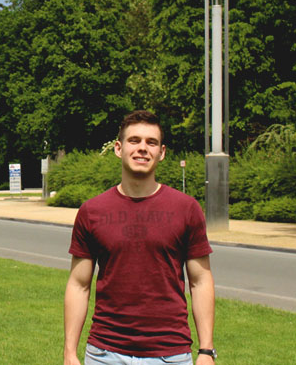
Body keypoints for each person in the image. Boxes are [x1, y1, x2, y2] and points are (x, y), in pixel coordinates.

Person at [64, 110, 216, 365]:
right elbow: (79, 284)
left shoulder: (186, 209)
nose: (142, 148)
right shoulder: (91, 212)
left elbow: (200, 281)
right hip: (104, 353)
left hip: (171, 354)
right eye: (134, 141)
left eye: (151, 142)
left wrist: (206, 350)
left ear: (162, 152)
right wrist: (69, 353)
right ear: (118, 148)